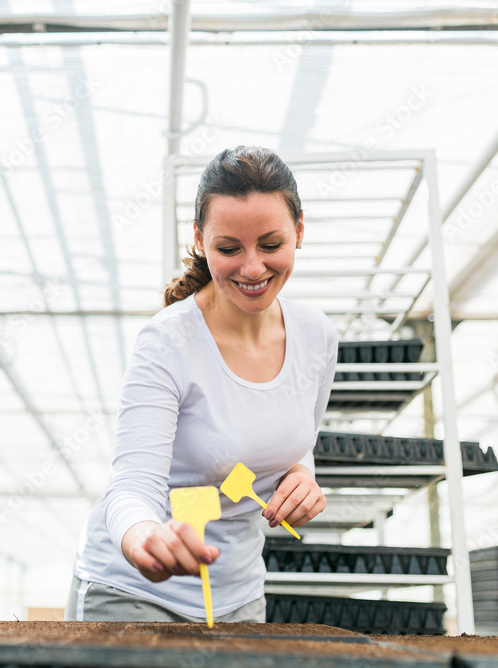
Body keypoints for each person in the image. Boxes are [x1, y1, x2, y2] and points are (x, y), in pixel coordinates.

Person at [65, 146, 338, 623]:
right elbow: (132, 484)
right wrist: (146, 537)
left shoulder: (316, 336)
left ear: (299, 231)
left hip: (239, 596)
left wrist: (302, 476)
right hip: (135, 594)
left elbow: (296, 442)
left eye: (271, 245)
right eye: (229, 249)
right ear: (199, 239)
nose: (253, 268)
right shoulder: (167, 341)